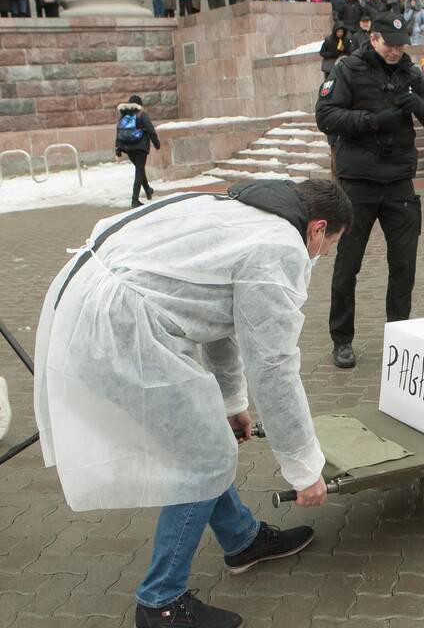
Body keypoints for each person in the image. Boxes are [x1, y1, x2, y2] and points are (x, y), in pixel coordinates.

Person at [35, 177, 348, 628]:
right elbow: (274, 366)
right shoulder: (279, 245)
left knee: (204, 442)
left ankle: (242, 541)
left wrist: (230, 403)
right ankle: (160, 602)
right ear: (317, 229)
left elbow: (220, 318)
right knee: (201, 458)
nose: (322, 255)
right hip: (118, 326)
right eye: (329, 245)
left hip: (97, 305)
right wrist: (303, 468)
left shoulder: (240, 211)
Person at [315, 13, 424, 369]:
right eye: (389, 43)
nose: (395, 50)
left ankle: (400, 336)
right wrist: (373, 122)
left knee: (404, 263)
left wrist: (418, 106)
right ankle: (342, 339)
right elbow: (325, 115)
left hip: (399, 183)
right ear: (373, 38)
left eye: (401, 44)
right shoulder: (348, 69)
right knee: (348, 265)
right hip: (358, 183)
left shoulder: (411, 73)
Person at [114, 95, 161, 208]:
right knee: (139, 171)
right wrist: (156, 143)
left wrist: (118, 150)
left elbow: (119, 132)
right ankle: (135, 199)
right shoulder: (141, 114)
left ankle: (148, 189)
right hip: (140, 147)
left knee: (139, 169)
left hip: (127, 148)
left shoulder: (123, 115)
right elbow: (150, 130)